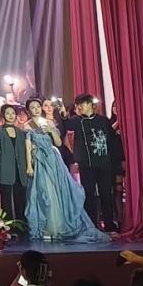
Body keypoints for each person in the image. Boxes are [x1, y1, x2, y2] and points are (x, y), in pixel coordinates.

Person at [22, 98, 109, 242]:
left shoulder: (49, 123)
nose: (36, 109)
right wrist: (29, 165)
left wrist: (51, 130)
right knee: (43, 192)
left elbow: (58, 142)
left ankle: (59, 227)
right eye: (33, 107)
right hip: (38, 160)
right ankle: (46, 227)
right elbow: (28, 146)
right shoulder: (27, 126)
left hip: (53, 158)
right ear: (28, 110)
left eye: (38, 106)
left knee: (57, 191)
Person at [62, 94, 121, 231]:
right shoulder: (75, 121)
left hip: (104, 163)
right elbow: (65, 129)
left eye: (82, 104)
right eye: (78, 105)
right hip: (86, 165)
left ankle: (109, 224)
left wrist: (115, 161)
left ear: (90, 104)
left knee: (106, 194)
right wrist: (63, 117)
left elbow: (111, 141)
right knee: (89, 195)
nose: (79, 107)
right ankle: (92, 225)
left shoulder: (103, 120)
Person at [0, 104, 31, 224]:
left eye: (13, 113)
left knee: (21, 198)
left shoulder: (21, 133)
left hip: (20, 169)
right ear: (3, 115)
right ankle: (8, 225)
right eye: (7, 113)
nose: (11, 115)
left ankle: (21, 224)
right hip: (5, 169)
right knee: (6, 199)